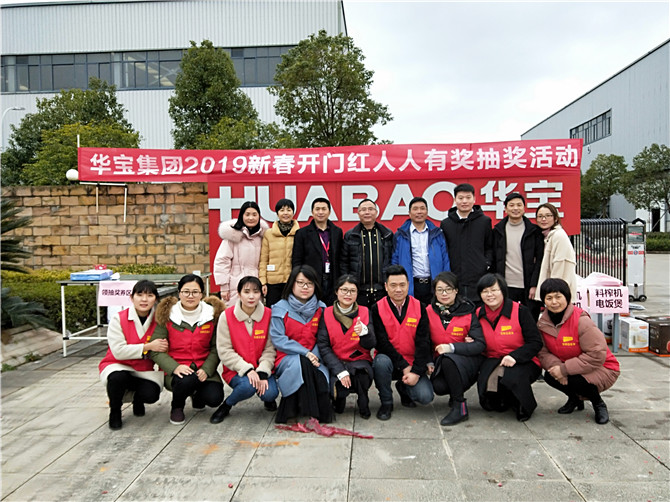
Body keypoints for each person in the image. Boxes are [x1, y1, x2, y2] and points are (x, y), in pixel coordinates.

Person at [537, 278, 620, 424]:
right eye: (549, 298)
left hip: (602, 367)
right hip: (571, 366)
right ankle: (575, 399)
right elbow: (542, 352)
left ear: (567, 297)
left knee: (576, 379)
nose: (554, 302)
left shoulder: (581, 320)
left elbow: (596, 355)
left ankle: (598, 403)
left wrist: (564, 369)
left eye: (558, 297)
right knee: (550, 376)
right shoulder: (543, 323)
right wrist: (557, 368)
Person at [151, 274, 225, 425]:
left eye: (195, 292)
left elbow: (216, 347)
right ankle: (177, 407)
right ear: (179, 293)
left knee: (215, 398)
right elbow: (156, 350)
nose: (190, 296)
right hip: (177, 370)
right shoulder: (167, 315)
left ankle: (197, 395)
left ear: (202, 294)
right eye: (186, 292)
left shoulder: (212, 315)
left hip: (202, 368)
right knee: (186, 380)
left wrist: (207, 369)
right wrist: (175, 367)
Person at [210, 276, 279, 424]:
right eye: (246, 292)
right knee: (248, 386)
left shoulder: (269, 315)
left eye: (256, 291)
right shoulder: (226, 316)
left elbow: (270, 348)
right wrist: (247, 370)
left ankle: (267, 399)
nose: (251, 296)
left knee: (270, 393)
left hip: (262, 368)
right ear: (239, 294)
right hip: (236, 370)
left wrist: (262, 371)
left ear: (261, 293)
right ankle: (227, 405)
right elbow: (224, 350)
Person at [99, 280, 166, 430]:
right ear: (131, 297)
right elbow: (118, 351)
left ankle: (137, 400)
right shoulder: (119, 319)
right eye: (140, 295)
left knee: (152, 394)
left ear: (156, 299)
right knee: (117, 378)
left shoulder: (160, 321)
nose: (144, 299)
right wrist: (148, 347)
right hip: (117, 365)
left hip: (143, 370)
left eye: (150, 295)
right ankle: (115, 410)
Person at [270, 265, 332, 423]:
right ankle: (305, 410)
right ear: (292, 284)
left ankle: (304, 408)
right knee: (299, 364)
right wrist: (305, 353)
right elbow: (278, 339)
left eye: (309, 283)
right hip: (287, 357)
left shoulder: (321, 308)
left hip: (316, 356)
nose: (305, 287)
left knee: (317, 372)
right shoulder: (279, 309)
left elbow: (323, 338)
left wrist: (313, 355)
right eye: (300, 283)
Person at [476, 273, 543, 422]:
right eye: (485, 291)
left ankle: (525, 405)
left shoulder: (520, 311)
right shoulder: (478, 313)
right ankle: (506, 397)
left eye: (494, 290)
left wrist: (515, 356)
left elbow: (535, 342)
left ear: (503, 291)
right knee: (489, 402)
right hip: (493, 359)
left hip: (523, 360)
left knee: (512, 378)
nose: (489, 295)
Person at [371, 265, 434, 421]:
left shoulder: (420, 307)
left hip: (413, 362)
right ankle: (386, 402)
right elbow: (381, 343)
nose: (398, 289)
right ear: (386, 287)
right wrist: (403, 366)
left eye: (402, 285)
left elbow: (423, 343)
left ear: (408, 285)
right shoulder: (377, 308)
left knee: (426, 397)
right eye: (393, 285)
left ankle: (404, 388)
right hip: (389, 361)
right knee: (380, 363)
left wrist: (416, 372)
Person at [426, 272, 485, 426]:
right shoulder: (428, 311)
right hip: (439, 363)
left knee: (448, 359)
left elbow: (479, 344)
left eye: (448, 289)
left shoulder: (468, 311)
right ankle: (454, 392)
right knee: (438, 387)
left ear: (456, 290)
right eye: (440, 290)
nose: (444, 293)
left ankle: (460, 406)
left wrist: (451, 347)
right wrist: (428, 361)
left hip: (466, 362)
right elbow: (424, 341)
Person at [317, 274, 376, 419]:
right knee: (338, 388)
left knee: (361, 376)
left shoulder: (365, 312)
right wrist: (340, 370)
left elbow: (371, 344)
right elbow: (323, 346)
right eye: (344, 290)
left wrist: (365, 333)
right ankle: (339, 399)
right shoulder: (326, 313)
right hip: (336, 360)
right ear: (336, 291)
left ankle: (363, 401)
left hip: (359, 360)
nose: (348, 294)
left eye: (352, 291)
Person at [492, 192, 544, 319]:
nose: (515, 208)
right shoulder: (497, 231)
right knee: (507, 319)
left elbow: (540, 260)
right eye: (512, 205)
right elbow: (494, 258)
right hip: (505, 284)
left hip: (528, 286)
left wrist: (534, 284)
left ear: (524, 208)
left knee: (530, 319)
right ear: (505, 209)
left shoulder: (534, 231)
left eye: (519, 205)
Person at [441, 183, 493, 304]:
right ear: (455, 200)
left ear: (474, 199)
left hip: (478, 276)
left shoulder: (484, 221)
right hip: (454, 277)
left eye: (468, 197)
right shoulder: (446, 224)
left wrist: (486, 263)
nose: (464, 201)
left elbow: (489, 247)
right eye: (460, 198)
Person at [391, 196, 450, 305]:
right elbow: (395, 260)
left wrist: (446, 281)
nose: (419, 212)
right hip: (412, 284)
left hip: (434, 283)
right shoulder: (401, 235)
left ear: (427, 212)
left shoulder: (437, 233)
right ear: (409, 213)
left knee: (434, 313)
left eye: (422, 208)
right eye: (415, 209)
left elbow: (445, 259)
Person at [341, 199, 394, 307]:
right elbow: (343, 263)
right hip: (358, 291)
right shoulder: (350, 235)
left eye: (370, 209)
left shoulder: (386, 234)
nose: (367, 212)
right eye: (363, 210)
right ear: (358, 213)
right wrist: (348, 284)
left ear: (376, 212)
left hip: (382, 290)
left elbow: (391, 260)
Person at [213, 200, 269, 304]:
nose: (251, 218)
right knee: (234, 313)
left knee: (255, 312)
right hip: (235, 286)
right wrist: (224, 287)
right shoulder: (232, 236)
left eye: (254, 214)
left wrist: (264, 282)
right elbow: (222, 261)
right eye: (247, 214)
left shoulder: (263, 237)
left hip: (257, 285)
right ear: (241, 216)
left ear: (259, 216)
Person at [291, 198, 343, 306]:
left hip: (332, 280)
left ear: (329, 212)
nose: (320, 212)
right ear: (312, 212)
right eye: (317, 209)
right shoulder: (302, 233)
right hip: (311, 280)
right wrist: (299, 280)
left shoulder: (337, 232)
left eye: (324, 209)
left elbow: (341, 258)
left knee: (330, 310)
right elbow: (297, 260)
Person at [259, 198, 300, 307]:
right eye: (282, 210)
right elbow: (263, 260)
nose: (285, 213)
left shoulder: (300, 233)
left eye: (289, 210)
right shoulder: (269, 234)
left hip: (293, 281)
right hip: (273, 282)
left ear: (293, 212)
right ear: (277, 213)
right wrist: (263, 282)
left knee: (292, 312)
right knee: (274, 311)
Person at [534, 202, 577, 302]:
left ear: (556, 218)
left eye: (548, 216)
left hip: (558, 294)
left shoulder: (559, 236)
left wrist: (552, 292)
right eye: (540, 216)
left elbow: (560, 265)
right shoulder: (548, 236)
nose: (543, 219)